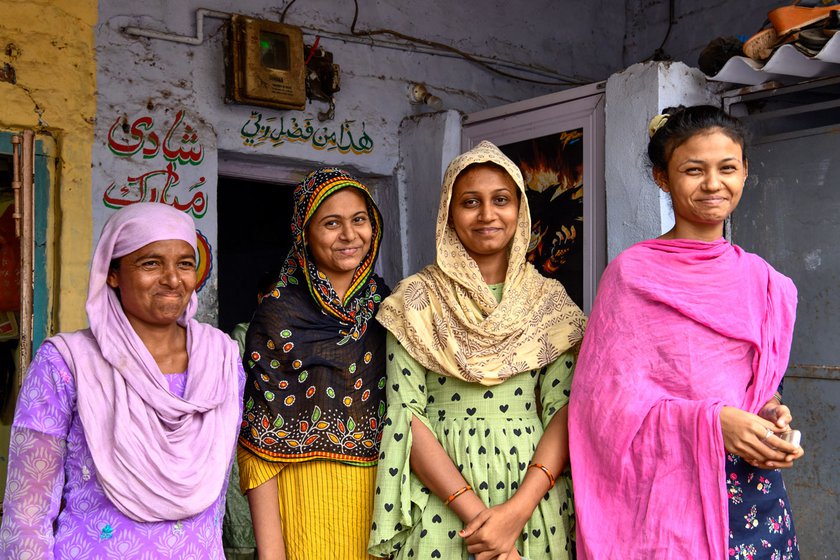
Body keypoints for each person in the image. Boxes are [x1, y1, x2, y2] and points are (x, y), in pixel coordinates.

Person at [569, 105, 804, 559]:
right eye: (693, 170)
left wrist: (772, 416)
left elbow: (761, 386)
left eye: (727, 168)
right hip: (666, 500)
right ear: (662, 178)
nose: (713, 184)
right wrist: (711, 421)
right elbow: (603, 404)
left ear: (744, 172)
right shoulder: (632, 275)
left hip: (754, 495)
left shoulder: (764, 280)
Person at [368, 141, 587, 560]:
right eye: (470, 202)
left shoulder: (550, 303)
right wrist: (480, 520)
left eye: (501, 200)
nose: (487, 215)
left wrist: (515, 515)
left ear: (519, 210)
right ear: (449, 213)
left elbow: (564, 409)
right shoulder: (414, 302)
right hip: (440, 501)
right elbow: (405, 416)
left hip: (533, 497)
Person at [0, 202, 245, 558]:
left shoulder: (221, 359)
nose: (173, 279)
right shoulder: (67, 362)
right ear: (112, 273)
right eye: (151, 263)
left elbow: (217, 496)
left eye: (185, 264)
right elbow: (27, 512)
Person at [237, 167, 390, 560]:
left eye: (359, 220)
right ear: (304, 234)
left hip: (380, 507)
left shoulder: (390, 310)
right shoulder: (277, 316)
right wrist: (272, 554)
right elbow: (257, 444)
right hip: (300, 507)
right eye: (331, 223)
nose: (349, 235)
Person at [225, 268, 279, 560]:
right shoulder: (243, 335)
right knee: (244, 535)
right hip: (247, 440)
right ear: (260, 298)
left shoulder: (303, 341)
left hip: (282, 447)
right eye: (273, 295)